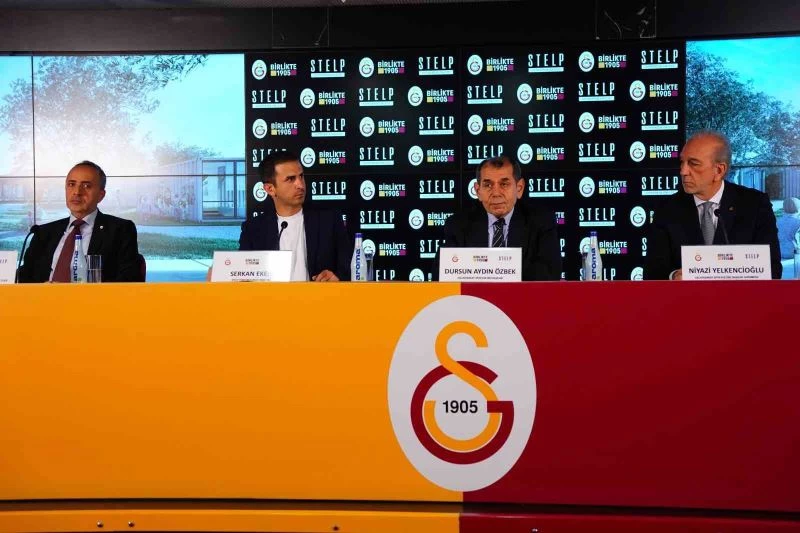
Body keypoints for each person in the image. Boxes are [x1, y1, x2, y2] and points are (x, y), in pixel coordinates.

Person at [645, 130, 782, 280]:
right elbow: (653, 273)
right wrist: (673, 277)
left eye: (693, 164)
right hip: (685, 295)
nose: (683, 171)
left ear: (719, 170)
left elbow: (772, 269)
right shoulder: (667, 209)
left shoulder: (755, 205)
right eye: (682, 162)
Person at [434, 154, 561, 281]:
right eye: (488, 185)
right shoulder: (458, 225)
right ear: (478, 191)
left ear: (519, 188)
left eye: (504, 184)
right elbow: (440, 276)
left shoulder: (541, 222)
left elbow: (548, 276)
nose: (496, 193)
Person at [17, 160, 142, 283]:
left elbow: (129, 279)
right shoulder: (43, 233)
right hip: (44, 296)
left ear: (101, 195)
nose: (77, 192)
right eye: (71, 184)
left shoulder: (120, 230)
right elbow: (24, 277)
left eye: (87, 186)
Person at [238, 150, 351, 281]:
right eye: (290, 179)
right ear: (270, 189)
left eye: (301, 176)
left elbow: (349, 266)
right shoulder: (253, 229)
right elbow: (243, 276)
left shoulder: (329, 219)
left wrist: (336, 277)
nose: (300, 185)